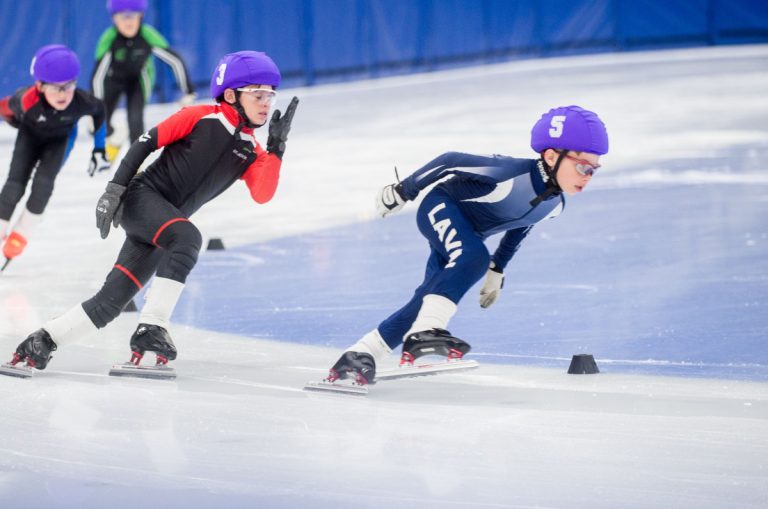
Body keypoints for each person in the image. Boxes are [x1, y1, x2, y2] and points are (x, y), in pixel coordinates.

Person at [6, 50, 299, 372]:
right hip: (141, 198)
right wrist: (114, 190)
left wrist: (276, 149)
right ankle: (153, 326)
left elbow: (262, 194)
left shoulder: (251, 150)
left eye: (270, 95)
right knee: (187, 238)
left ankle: (43, 340)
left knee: (110, 302)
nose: (266, 103)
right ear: (231, 95)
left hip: (164, 225)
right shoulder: (202, 116)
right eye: (257, 94)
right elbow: (145, 143)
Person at [326, 105, 609, 385]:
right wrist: (403, 190)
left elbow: (522, 224)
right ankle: (426, 331)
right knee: (473, 258)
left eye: (594, 170)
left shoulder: (554, 206)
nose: (588, 176)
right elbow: (449, 161)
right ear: (551, 156)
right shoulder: (509, 172)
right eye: (583, 167)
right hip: (441, 205)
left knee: (429, 297)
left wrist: (498, 267)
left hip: (469, 235)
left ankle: (361, 353)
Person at [0, 45, 109, 267]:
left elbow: (100, 111)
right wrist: (14, 121)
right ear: (40, 86)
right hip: (30, 137)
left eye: (68, 86)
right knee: (14, 186)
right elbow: (5, 109)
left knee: (43, 185)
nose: (62, 94)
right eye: (55, 88)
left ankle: (21, 234)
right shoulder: (26, 100)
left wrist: (99, 149)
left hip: (59, 142)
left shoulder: (82, 102)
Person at [92, 0, 196, 161]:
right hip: (113, 79)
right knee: (99, 122)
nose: (128, 22)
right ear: (114, 19)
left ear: (141, 16)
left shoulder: (147, 35)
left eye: (133, 16)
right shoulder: (109, 38)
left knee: (135, 121)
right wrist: (95, 105)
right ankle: (114, 141)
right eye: (123, 17)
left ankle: (135, 164)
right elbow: (98, 75)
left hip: (138, 81)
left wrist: (188, 90)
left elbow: (174, 60)